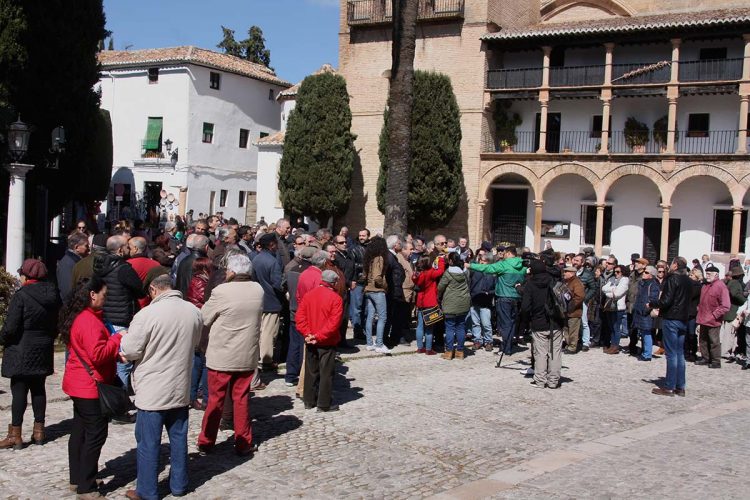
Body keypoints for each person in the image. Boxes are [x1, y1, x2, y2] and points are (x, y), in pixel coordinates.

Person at [120, 275, 202, 500]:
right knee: (178, 437)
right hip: (180, 384)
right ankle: (179, 484)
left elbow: (130, 350)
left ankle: (147, 490)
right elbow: (195, 342)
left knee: (148, 442)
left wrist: (123, 338)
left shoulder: (146, 315)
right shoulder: (193, 311)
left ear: (154, 290)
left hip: (153, 388)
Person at [60, 276, 124, 497]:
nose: (105, 300)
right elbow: (97, 355)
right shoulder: (88, 321)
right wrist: (116, 340)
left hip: (79, 382)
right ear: (92, 295)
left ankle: (77, 478)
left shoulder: (82, 316)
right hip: (89, 385)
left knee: (80, 431)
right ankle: (86, 487)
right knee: (95, 434)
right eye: (104, 295)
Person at [198, 254, 263, 456]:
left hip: (222, 354)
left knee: (215, 401)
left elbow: (204, 317)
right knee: (241, 400)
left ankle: (206, 441)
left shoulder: (221, 291)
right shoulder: (257, 290)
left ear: (233, 272)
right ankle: (243, 441)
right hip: (246, 354)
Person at [0, 259, 62, 449]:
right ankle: (39, 432)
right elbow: (57, 323)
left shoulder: (22, 295)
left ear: (26, 275)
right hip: (43, 346)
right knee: (38, 389)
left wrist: (2, 338)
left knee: (19, 391)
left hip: (21, 347)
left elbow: (11, 327)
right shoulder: (53, 294)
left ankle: (15, 435)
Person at [94, 235, 146, 392]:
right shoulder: (123, 268)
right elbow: (140, 290)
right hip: (121, 318)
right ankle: (119, 400)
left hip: (105, 316)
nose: (129, 250)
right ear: (119, 249)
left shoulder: (99, 265)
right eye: (126, 247)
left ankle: (108, 394)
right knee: (123, 361)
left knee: (109, 359)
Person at [296, 270, 344, 412]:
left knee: (311, 371)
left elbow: (300, 318)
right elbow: (333, 324)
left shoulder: (308, 296)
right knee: (326, 373)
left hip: (311, 339)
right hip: (326, 341)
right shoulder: (335, 299)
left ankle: (309, 400)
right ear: (334, 283)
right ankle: (323, 404)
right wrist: (318, 336)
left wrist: (308, 334)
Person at [468, 246, 526, 355]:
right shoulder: (522, 265)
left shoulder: (504, 264)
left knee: (505, 324)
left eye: (504, 253)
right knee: (512, 323)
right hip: (516, 297)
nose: (502, 255)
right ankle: (509, 345)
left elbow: (487, 268)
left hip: (504, 297)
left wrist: (470, 265)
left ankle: (506, 348)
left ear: (509, 253)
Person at [649, 257, 692, 397]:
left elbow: (666, 301)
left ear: (675, 265)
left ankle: (669, 387)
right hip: (683, 318)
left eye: (672, 263)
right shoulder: (688, 280)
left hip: (672, 318)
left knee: (671, 353)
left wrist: (652, 304)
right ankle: (680, 386)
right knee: (679, 353)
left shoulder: (673, 279)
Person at [521, 259, 565, 389]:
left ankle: (540, 380)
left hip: (538, 322)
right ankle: (553, 381)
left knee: (540, 353)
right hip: (556, 321)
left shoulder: (530, 284)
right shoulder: (553, 281)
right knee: (555, 353)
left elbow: (525, 307)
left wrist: (525, 320)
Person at [252, 233, 284, 372]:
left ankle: (258, 357)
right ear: (271, 245)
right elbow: (278, 284)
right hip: (271, 301)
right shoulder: (273, 261)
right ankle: (266, 360)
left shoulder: (256, 259)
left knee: (260, 331)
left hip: (258, 299)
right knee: (269, 332)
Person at [186, 257, 212, 410]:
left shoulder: (198, 281)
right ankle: (194, 395)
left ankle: (194, 394)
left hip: (199, 322)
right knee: (201, 361)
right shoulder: (199, 282)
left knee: (199, 360)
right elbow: (205, 301)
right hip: (201, 323)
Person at [438, 252, 471, 360]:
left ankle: (449, 352)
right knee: (461, 326)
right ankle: (460, 352)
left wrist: (439, 297)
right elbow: (469, 284)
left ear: (451, 261)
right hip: (463, 302)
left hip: (450, 303)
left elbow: (440, 287)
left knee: (450, 327)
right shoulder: (466, 272)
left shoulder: (448, 273)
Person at [695, 265, 729, 369]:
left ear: (716, 275)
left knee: (714, 341)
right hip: (703, 317)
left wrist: (714, 315)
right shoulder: (705, 285)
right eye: (707, 273)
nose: (707, 276)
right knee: (703, 340)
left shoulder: (720, 286)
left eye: (709, 274)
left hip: (713, 320)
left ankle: (716, 361)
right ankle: (705, 358)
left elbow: (726, 305)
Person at [412, 256, 446, 355]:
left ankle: (420, 347)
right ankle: (428, 348)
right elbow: (441, 270)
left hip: (420, 302)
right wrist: (440, 259)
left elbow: (415, 279)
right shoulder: (430, 273)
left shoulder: (418, 274)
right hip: (430, 302)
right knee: (429, 327)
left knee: (419, 326)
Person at [363, 236, 390, 353]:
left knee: (370, 317)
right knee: (382, 317)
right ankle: (379, 344)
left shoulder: (370, 259)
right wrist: (385, 286)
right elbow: (377, 277)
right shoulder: (379, 258)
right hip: (377, 291)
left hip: (368, 290)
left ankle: (369, 343)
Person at [632, 266, 661, 361]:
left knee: (647, 332)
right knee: (642, 332)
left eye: (646, 272)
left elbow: (653, 299)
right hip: (639, 310)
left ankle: (647, 354)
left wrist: (646, 310)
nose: (644, 273)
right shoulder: (642, 283)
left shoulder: (653, 285)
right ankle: (644, 351)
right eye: (644, 272)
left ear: (651, 275)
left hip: (646, 312)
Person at [469, 253, 496, 351]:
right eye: (480, 260)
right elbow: (469, 282)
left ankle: (488, 341)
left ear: (488, 262)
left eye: (483, 260)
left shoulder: (493, 273)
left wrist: (489, 293)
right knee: (475, 323)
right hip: (474, 299)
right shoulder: (475, 271)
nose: (481, 262)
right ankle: (477, 341)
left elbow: (496, 288)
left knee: (486, 324)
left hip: (485, 301)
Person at [602, 265, 630, 355]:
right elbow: (603, 288)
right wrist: (612, 290)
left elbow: (618, 294)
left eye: (618, 272)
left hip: (618, 307)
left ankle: (615, 346)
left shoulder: (625, 280)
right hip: (610, 306)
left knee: (616, 327)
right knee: (611, 327)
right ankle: (612, 345)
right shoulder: (613, 279)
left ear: (623, 272)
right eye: (615, 272)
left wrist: (610, 292)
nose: (616, 274)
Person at [127, 236, 160, 309]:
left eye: (129, 248)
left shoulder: (127, 264)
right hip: (152, 304)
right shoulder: (156, 264)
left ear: (135, 248)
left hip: (133, 304)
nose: (128, 250)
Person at [57, 232, 90, 304]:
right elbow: (67, 291)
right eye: (86, 246)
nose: (88, 249)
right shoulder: (67, 263)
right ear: (77, 247)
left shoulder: (75, 262)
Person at [721, 266, 745, 362]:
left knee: (730, 333)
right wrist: (744, 300)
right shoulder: (735, 283)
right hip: (732, 311)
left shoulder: (731, 282)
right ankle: (725, 352)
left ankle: (728, 351)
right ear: (739, 275)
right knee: (729, 332)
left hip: (730, 311)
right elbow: (735, 294)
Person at [348, 229, 369, 339]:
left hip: (368, 283)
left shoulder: (371, 248)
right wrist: (353, 280)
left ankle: (365, 329)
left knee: (366, 309)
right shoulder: (354, 249)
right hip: (358, 282)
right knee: (357, 308)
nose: (361, 237)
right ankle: (357, 331)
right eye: (360, 235)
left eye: (363, 235)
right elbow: (352, 266)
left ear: (368, 236)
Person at [562, 266, 584, 354]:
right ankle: (568, 344)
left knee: (573, 330)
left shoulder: (577, 283)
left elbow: (580, 296)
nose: (564, 273)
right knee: (566, 329)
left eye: (566, 272)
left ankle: (572, 347)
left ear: (571, 273)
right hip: (566, 311)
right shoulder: (567, 282)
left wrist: (571, 306)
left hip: (574, 311)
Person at [685, 267, 704, 362]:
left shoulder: (698, 286)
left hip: (692, 312)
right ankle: (686, 351)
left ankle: (692, 352)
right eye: (689, 275)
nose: (689, 277)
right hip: (686, 311)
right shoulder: (689, 285)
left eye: (692, 275)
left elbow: (691, 295)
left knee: (691, 333)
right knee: (685, 333)